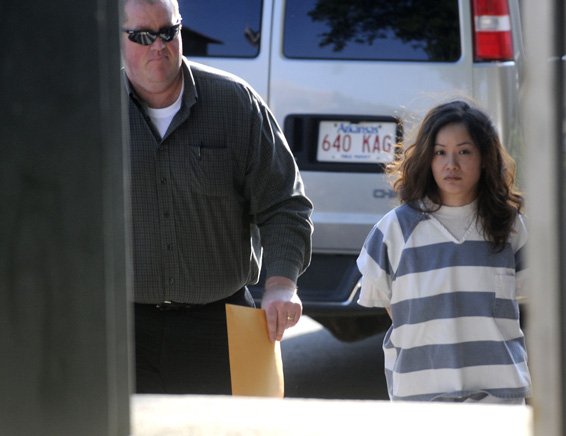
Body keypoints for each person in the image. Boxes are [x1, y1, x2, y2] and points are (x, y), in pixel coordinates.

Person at [120, 0, 313, 394]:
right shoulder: (90, 110)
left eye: (168, 32)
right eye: (142, 36)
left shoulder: (235, 103)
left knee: (230, 424)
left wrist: (280, 284)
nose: (158, 45)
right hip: (120, 328)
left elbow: (285, 205)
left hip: (221, 327)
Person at [356, 100, 530, 403]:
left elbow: (528, 298)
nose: (451, 164)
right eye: (440, 152)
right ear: (427, 158)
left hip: (499, 398)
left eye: (464, 152)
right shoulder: (394, 229)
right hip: (422, 399)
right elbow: (388, 305)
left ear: (485, 158)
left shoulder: (510, 226)